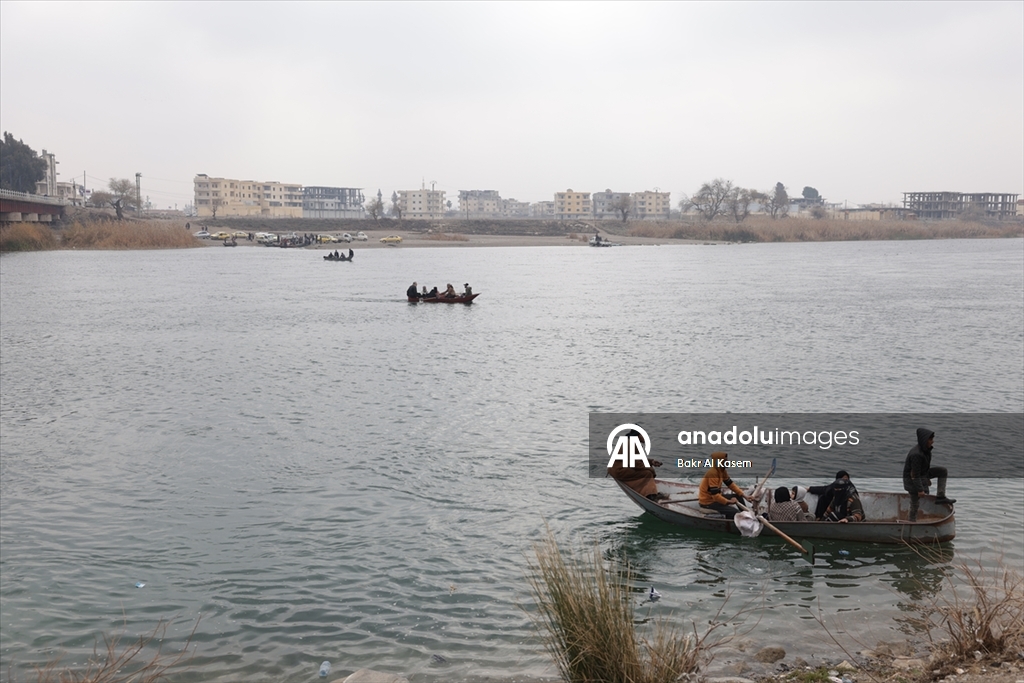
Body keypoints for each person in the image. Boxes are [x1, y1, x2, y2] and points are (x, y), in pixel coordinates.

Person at [903, 428, 955, 522]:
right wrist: (920, 490)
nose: (932, 442)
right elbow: (914, 474)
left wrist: (927, 479)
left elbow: (924, 469)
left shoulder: (925, 450)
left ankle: (940, 496)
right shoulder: (916, 454)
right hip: (911, 480)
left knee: (942, 471)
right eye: (930, 439)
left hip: (923, 474)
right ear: (924, 440)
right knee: (915, 503)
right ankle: (911, 523)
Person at [607, 430, 666, 501]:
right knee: (648, 473)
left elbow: (638, 459)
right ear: (637, 435)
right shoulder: (630, 444)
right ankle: (651, 495)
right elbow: (634, 463)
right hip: (619, 471)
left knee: (647, 471)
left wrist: (651, 462)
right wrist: (650, 469)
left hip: (621, 469)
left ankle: (649, 491)